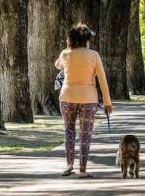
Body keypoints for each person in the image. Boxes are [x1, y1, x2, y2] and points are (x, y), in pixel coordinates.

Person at [55, 23, 112, 178]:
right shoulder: (94, 55)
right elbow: (102, 80)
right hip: (88, 98)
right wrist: (107, 102)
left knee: (69, 131)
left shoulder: (65, 54)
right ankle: (83, 170)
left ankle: (69, 165)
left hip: (67, 97)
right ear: (86, 40)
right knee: (85, 133)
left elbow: (57, 65)